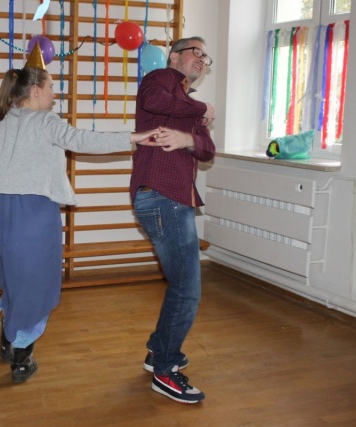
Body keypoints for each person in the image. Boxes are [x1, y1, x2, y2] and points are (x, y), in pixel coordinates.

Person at [0, 45, 167, 384]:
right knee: (38, 280)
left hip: (4, 211)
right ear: (36, 91)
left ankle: (8, 337)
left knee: (15, 275)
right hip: (35, 211)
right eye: (51, 87)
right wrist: (134, 137)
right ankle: (21, 356)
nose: (55, 93)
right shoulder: (45, 121)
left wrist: (4, 189)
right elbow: (83, 140)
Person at [130, 36, 216, 404]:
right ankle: (165, 370)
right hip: (163, 196)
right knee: (187, 289)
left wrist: (187, 138)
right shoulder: (161, 79)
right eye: (196, 52)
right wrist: (202, 109)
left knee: (182, 284)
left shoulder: (185, 102)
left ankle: (159, 351)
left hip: (173, 199)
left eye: (205, 57)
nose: (202, 60)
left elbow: (208, 149)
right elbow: (155, 102)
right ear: (174, 56)